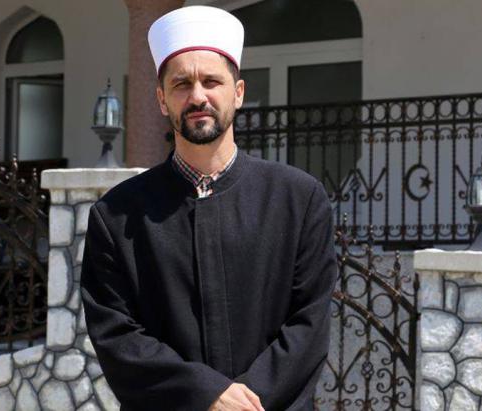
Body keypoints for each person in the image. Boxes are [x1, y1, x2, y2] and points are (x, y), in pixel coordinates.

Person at [80, 6, 337, 411]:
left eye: (211, 81)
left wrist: (248, 403)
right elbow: (116, 335)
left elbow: (310, 322)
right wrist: (205, 395)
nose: (197, 95)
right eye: (181, 83)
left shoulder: (298, 201)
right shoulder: (116, 216)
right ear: (162, 100)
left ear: (238, 93)